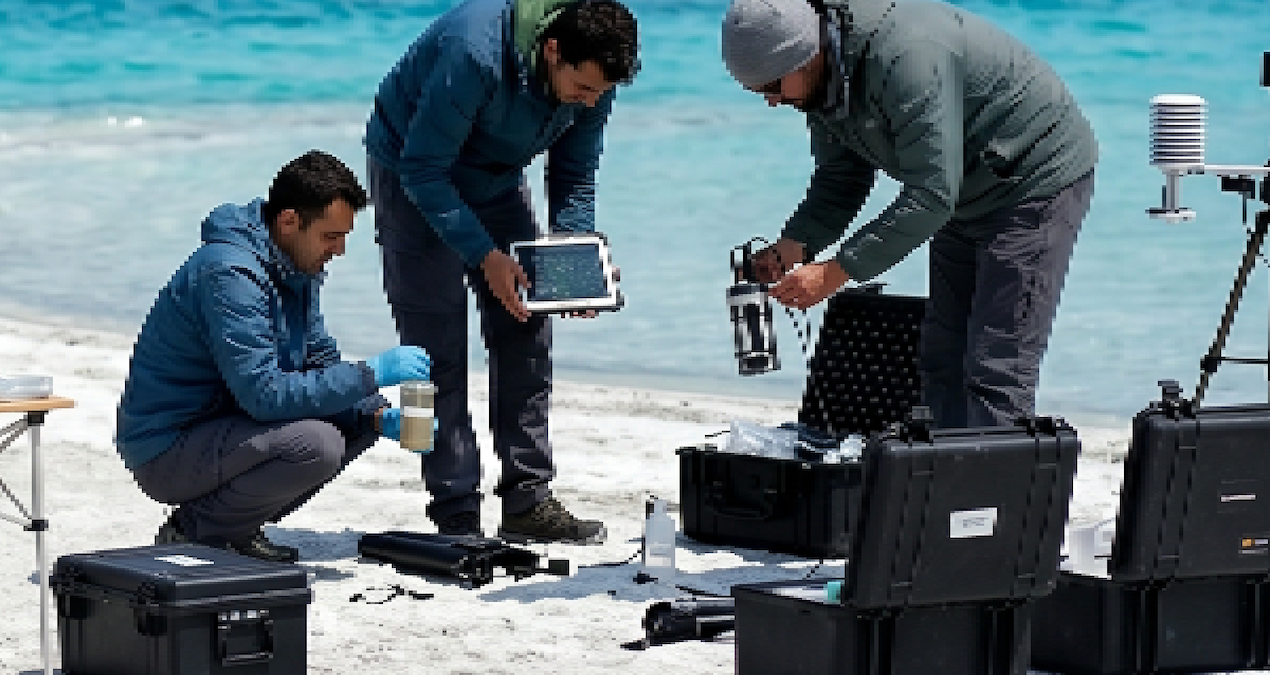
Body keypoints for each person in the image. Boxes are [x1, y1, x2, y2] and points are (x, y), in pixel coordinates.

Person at [722, 0, 1098, 429]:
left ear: (806, 55)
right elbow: (842, 176)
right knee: (942, 356)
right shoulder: (821, 80)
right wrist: (796, 244)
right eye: (758, 93)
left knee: (997, 367)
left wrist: (836, 272)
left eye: (773, 86)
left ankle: (996, 472)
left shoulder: (906, 59)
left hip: (1034, 178)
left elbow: (931, 195)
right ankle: (944, 468)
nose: (771, 101)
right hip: (962, 189)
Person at [364, 0, 639, 542]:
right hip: (412, 174)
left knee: (527, 331)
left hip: (496, 177)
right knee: (433, 352)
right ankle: (454, 508)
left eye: (601, 93)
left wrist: (572, 259)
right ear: (551, 50)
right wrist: (484, 255)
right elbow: (424, 169)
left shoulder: (596, 74)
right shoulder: (474, 52)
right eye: (583, 88)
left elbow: (574, 172)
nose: (591, 101)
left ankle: (527, 500)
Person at [115, 150, 433, 563]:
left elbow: (320, 359)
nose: (339, 250)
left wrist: (377, 414)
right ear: (288, 222)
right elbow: (264, 396)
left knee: (357, 420)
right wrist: (371, 372)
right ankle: (196, 531)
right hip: (167, 446)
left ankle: (233, 527)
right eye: (330, 236)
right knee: (317, 444)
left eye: (343, 237)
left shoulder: (296, 267)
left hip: (225, 426)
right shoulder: (229, 274)